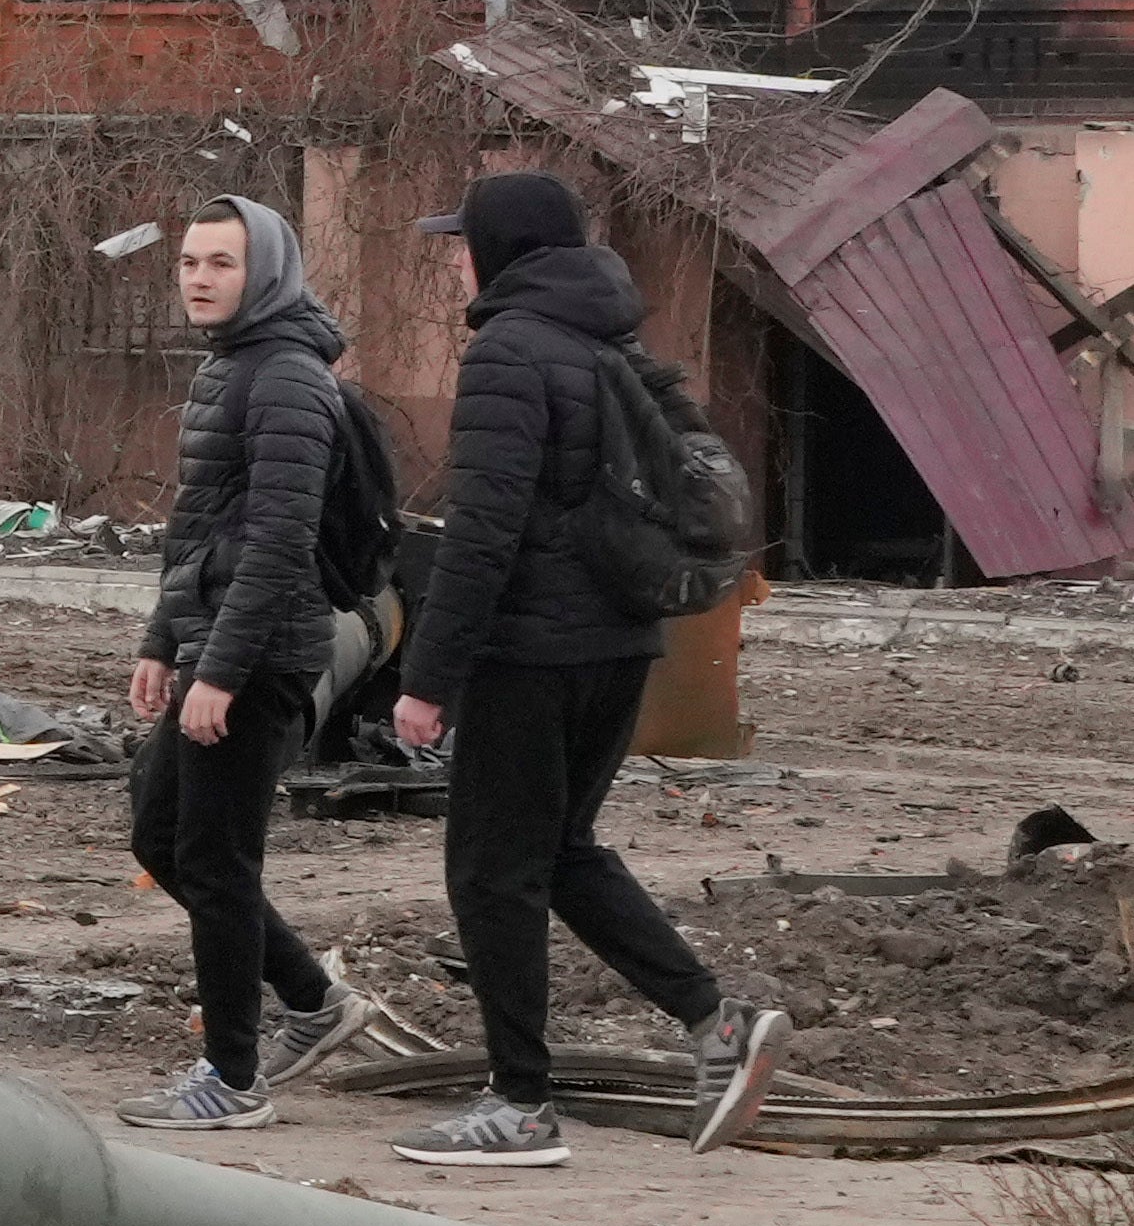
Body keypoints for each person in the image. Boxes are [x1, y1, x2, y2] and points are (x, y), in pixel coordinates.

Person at [383, 167, 782, 1171]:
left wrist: (427, 678)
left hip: (532, 651)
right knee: (561, 851)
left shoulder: (509, 350)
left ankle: (520, 1104)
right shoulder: (608, 338)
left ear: (503, 247)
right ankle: (715, 1023)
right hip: (621, 643)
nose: (457, 256)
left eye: (464, 237)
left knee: (490, 873)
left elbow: (483, 530)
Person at [123, 193, 362, 1130]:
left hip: (262, 656)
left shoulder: (289, 378)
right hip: (216, 641)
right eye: (189, 262)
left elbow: (278, 544)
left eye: (220, 263)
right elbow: (200, 529)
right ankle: (314, 997)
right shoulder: (230, 368)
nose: (198, 279)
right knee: (161, 836)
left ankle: (234, 1079)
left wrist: (216, 671)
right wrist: (160, 641)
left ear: (263, 271)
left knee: (217, 863)